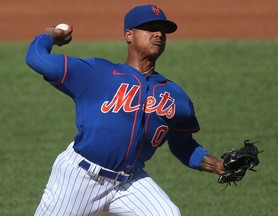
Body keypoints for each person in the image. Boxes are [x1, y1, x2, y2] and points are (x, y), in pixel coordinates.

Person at [26, 4, 225, 216]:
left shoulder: (175, 96)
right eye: (150, 27)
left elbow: (183, 146)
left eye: (162, 30)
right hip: (80, 177)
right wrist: (51, 34)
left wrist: (218, 165)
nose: (158, 34)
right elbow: (36, 58)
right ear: (129, 35)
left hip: (129, 182)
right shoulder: (96, 73)